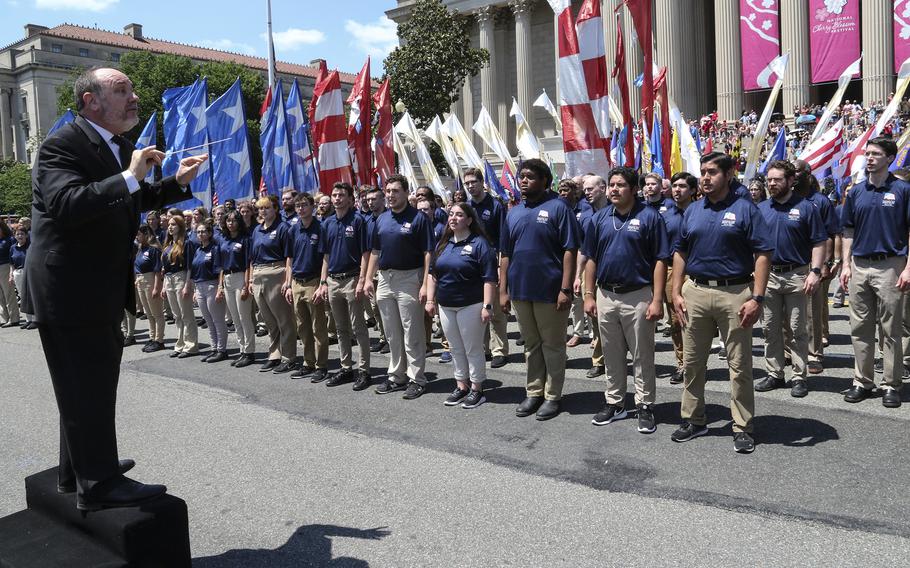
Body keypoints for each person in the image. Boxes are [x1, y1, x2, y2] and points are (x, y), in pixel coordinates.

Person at [25, 67, 205, 510]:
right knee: (85, 388)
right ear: (91, 102)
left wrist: (175, 182)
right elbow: (67, 205)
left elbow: (132, 199)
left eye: (131, 89)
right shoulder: (62, 145)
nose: (134, 97)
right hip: (70, 290)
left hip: (97, 288)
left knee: (90, 386)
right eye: (121, 91)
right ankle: (99, 485)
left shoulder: (118, 147)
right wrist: (128, 175)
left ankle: (78, 471)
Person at [670, 152, 772, 454]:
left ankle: (742, 425)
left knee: (739, 367)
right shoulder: (692, 211)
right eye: (702, 171)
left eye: (712, 172)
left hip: (735, 293)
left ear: (728, 175)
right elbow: (680, 252)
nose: (705, 177)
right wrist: (676, 292)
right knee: (692, 363)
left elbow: (763, 254)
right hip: (696, 292)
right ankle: (693, 418)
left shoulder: (746, 209)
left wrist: (757, 297)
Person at [583, 167, 670, 434]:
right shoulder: (598, 219)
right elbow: (591, 259)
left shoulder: (650, 217)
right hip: (606, 295)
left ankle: (645, 405)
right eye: (611, 185)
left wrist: (657, 300)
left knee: (642, 354)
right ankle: (615, 402)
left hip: (639, 295)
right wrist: (588, 295)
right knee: (611, 353)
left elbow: (660, 260)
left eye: (620, 185)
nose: (614, 189)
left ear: (634, 190)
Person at [500, 158, 579, 421]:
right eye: (521, 176)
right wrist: (503, 290)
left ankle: (552, 396)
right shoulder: (513, 212)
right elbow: (505, 254)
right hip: (521, 290)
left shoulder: (559, 207)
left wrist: (565, 288)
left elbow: (570, 249)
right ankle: (534, 392)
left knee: (553, 345)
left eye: (530, 176)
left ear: (545, 181)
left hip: (550, 290)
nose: (523, 180)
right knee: (531, 345)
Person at [840, 137, 910, 408]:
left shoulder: (903, 190)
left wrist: (908, 268)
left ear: (889, 158)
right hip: (859, 264)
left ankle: (891, 384)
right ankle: (862, 381)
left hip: (892, 264)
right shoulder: (856, 191)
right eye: (867, 153)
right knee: (860, 327)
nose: (869, 158)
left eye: (875, 154)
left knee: (891, 328)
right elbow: (848, 230)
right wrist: (845, 265)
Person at [755, 160, 827, 398]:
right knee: (770, 328)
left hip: (798, 274)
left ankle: (799, 376)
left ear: (790, 181)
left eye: (777, 179)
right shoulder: (761, 208)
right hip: (769, 277)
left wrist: (815, 272)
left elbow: (819, 241)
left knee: (798, 329)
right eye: (769, 180)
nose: (772, 184)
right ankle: (775, 373)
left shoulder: (807, 207)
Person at [364, 174, 434, 399]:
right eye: (388, 191)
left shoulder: (419, 218)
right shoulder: (381, 219)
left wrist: (424, 284)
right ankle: (397, 376)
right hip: (385, 278)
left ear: (406, 193)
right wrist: (367, 279)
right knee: (393, 333)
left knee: (412, 332)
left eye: (395, 191)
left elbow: (428, 253)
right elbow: (375, 251)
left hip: (409, 279)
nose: (391, 195)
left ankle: (417, 379)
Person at [426, 202, 498, 409]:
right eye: (451, 214)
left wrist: (488, 306)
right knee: (455, 348)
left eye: (459, 215)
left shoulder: (479, 244)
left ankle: (477, 388)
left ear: (469, 220)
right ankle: (461, 385)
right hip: (446, 305)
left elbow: (489, 278)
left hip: (471, 305)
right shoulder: (443, 244)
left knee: (472, 348)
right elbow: (433, 275)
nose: (453, 218)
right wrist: (431, 300)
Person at [316, 182, 373, 389]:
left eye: (341, 195)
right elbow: (326, 255)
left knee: (359, 328)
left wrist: (361, 279)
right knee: (341, 329)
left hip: (352, 279)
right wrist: (323, 282)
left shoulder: (358, 221)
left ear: (350, 199)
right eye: (334, 194)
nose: (337, 198)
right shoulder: (327, 223)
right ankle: (346, 367)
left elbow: (366, 253)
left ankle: (364, 371)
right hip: (333, 280)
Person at [793, 159, 841, 374]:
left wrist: (826, 263)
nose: (793, 176)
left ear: (807, 173)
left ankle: (814, 354)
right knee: (791, 313)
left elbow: (831, 235)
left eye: (797, 171)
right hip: (790, 263)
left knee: (813, 312)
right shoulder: (787, 200)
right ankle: (789, 352)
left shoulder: (820, 201)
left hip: (814, 263)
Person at [463, 167, 510, 369]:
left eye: (474, 182)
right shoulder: (465, 207)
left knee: (496, 310)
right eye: (467, 183)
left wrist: (501, 265)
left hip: (493, 259)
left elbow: (502, 238)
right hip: (472, 262)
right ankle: (485, 349)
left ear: (482, 182)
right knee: (477, 309)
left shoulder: (496, 205)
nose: (471, 186)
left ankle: (499, 350)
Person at [250, 195, 297, 374]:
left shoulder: (283, 227)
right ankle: (274, 354)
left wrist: (287, 280)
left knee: (284, 319)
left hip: (276, 272)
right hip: (258, 274)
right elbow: (252, 256)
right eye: (261, 208)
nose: (263, 211)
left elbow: (289, 257)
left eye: (267, 208)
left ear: (276, 209)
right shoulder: (257, 230)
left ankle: (289, 357)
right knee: (268, 319)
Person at [286, 193, 330, 383]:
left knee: (318, 327)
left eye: (304, 205)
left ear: (313, 206)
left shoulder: (321, 228)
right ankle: (308, 362)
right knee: (302, 327)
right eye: (298, 206)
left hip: (313, 282)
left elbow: (325, 259)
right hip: (296, 283)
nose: (301, 208)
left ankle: (321, 366)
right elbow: (290, 259)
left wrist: (322, 283)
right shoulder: (293, 230)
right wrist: (288, 284)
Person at [661, 173, 697, 384]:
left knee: (696, 321)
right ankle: (682, 363)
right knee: (676, 320)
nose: (677, 190)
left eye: (682, 186)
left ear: (692, 190)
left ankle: (696, 362)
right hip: (670, 272)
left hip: (697, 272)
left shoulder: (701, 211)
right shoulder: (664, 215)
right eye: (674, 186)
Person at [574, 174, 608, 379]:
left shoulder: (617, 211)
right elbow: (582, 249)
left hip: (614, 273)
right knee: (594, 318)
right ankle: (599, 360)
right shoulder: (585, 216)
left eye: (590, 189)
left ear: (602, 188)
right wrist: (578, 275)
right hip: (591, 272)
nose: (586, 192)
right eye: (584, 189)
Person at [184, 220, 229, 363]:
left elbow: (220, 269)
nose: (201, 234)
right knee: (209, 321)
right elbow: (195, 271)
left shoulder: (215, 248)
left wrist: (220, 288)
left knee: (217, 320)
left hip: (212, 285)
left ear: (210, 233)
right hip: (200, 286)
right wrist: (196, 290)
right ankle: (214, 348)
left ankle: (222, 350)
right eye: (198, 232)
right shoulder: (198, 250)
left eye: (204, 231)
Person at [219, 210, 256, 368]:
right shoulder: (224, 240)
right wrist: (220, 285)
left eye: (234, 220)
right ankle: (242, 350)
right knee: (235, 318)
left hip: (241, 277)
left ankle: (249, 352)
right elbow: (221, 265)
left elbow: (249, 263)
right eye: (228, 221)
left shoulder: (245, 239)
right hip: (227, 278)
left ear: (239, 222)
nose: (230, 223)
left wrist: (246, 285)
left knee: (244, 317)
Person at [558, 179, 591, 347]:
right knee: (575, 300)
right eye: (560, 190)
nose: (563, 193)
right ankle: (578, 332)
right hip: (566, 260)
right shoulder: (557, 209)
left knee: (587, 295)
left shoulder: (584, 210)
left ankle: (593, 333)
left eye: (566, 190)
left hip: (583, 257)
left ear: (574, 191)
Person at [161, 215, 199, 358]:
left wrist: (187, 285)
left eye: (174, 224)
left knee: (186, 314)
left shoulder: (186, 243)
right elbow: (165, 269)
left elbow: (189, 266)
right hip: (169, 279)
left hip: (181, 277)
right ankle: (180, 344)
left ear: (180, 227)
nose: (170, 227)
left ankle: (191, 346)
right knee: (177, 315)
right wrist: (164, 286)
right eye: (169, 224)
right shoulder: (168, 245)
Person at [364, 187, 389, 354]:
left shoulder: (389, 218)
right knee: (375, 308)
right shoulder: (367, 221)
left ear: (382, 200)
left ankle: (390, 339)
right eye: (368, 200)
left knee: (386, 308)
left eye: (374, 199)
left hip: (387, 270)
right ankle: (383, 337)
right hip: (372, 271)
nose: (371, 202)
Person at [133, 225, 165, 352]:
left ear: (146, 234)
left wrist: (156, 288)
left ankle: (159, 340)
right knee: (149, 313)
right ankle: (152, 338)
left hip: (151, 280)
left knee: (157, 313)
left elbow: (157, 271)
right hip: (141, 280)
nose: (137, 237)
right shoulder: (141, 248)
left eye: (139, 234)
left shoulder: (154, 250)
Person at [9, 227, 33, 329]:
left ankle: (36, 320)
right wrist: (11, 275)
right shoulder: (13, 248)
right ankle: (28, 320)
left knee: (31, 296)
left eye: (22, 234)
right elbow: (11, 263)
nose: (20, 236)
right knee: (23, 297)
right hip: (17, 273)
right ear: (15, 236)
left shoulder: (30, 246)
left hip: (29, 272)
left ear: (26, 235)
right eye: (18, 234)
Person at [0, 218, 19, 328]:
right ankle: (6, 318)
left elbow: (15, 252)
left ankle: (14, 318)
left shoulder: (9, 239)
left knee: (9, 294)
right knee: (0, 297)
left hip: (5, 267)